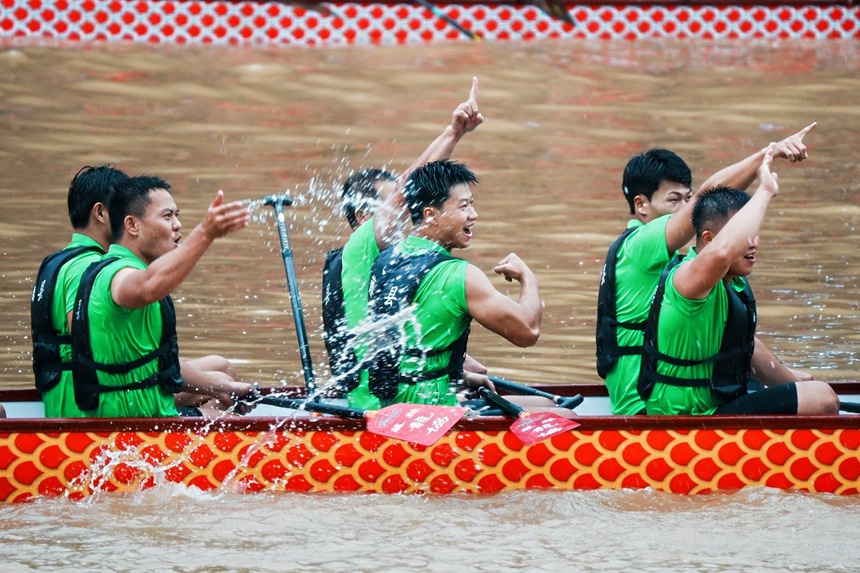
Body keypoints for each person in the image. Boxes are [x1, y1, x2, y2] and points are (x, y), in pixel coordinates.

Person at [597, 123, 818, 416]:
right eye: (675, 200)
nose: (687, 208)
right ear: (641, 205)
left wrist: (789, 378)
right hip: (644, 407)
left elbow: (739, 337)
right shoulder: (640, 246)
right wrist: (770, 154)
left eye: (687, 198)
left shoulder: (683, 262)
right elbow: (708, 198)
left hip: (667, 393)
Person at [637, 147, 838, 416]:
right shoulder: (687, 279)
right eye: (746, 235)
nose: (753, 243)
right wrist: (764, 190)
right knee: (823, 398)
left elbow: (745, 344)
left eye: (756, 233)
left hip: (713, 405)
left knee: (811, 388)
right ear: (708, 239)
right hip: (683, 418)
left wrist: (791, 380)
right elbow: (722, 252)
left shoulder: (731, 282)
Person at [323, 78, 485, 409]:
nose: (405, 214)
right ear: (363, 216)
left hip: (392, 394)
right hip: (380, 408)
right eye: (393, 206)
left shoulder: (392, 263)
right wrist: (452, 134)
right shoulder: (359, 251)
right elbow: (407, 189)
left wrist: (455, 367)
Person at [364, 159, 552, 408]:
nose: (473, 215)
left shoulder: (387, 259)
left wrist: (460, 375)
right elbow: (528, 332)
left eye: (472, 204)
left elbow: (406, 349)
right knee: (553, 410)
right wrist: (528, 277)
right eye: (463, 207)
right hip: (431, 408)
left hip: (388, 404)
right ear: (430, 215)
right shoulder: (459, 275)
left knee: (537, 404)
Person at [69, 175, 255, 417]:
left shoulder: (122, 266)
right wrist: (206, 233)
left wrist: (223, 388)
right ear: (132, 225)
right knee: (234, 427)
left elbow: (161, 365)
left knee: (222, 383)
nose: (177, 225)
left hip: (148, 415)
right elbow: (149, 285)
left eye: (177, 215)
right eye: (167, 216)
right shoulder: (117, 274)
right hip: (126, 431)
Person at [31, 165, 129, 418]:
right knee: (216, 386)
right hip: (83, 406)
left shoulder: (59, 260)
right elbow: (91, 348)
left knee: (218, 367)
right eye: (124, 208)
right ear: (100, 212)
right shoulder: (87, 267)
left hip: (62, 392)